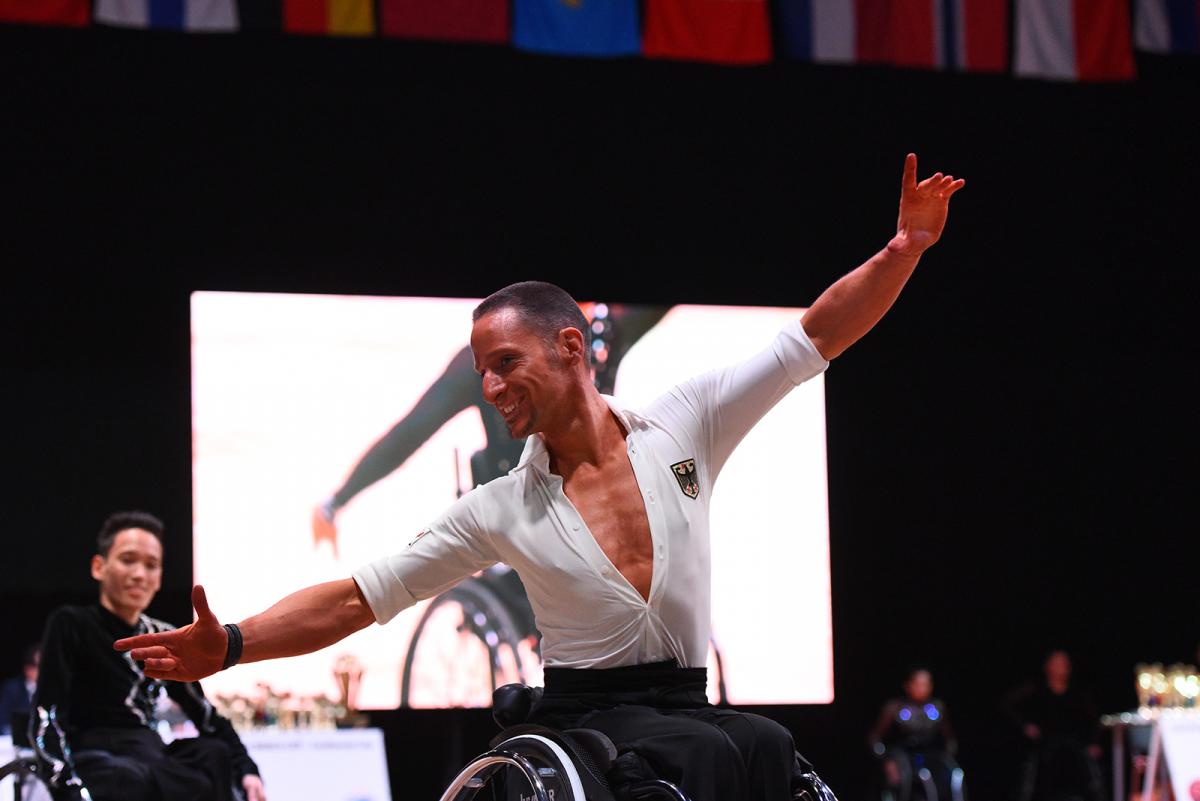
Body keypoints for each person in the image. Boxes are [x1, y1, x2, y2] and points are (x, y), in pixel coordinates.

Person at [116, 153, 965, 801]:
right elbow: (355, 596)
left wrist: (904, 248)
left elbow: (815, 337)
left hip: (689, 703)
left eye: (505, 363)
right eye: (482, 370)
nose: (488, 387)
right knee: (705, 754)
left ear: (570, 347)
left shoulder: (685, 421)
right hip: (588, 715)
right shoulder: (498, 508)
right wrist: (229, 644)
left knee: (770, 749)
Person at [34, 511, 266, 801]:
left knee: (213, 754)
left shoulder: (164, 636)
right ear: (99, 567)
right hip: (94, 752)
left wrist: (246, 768)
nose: (140, 574)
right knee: (127, 778)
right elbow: (47, 714)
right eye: (128, 560)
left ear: (159, 578)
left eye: (151, 565)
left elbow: (205, 715)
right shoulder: (71, 623)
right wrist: (64, 784)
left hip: (149, 751)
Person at [1005, 650, 1103, 801]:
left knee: (1089, 778)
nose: (1062, 667)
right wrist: (1025, 726)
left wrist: (1094, 742)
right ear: (1047, 666)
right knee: (1032, 780)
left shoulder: (1078, 691)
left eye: (1065, 663)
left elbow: (1093, 719)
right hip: (1044, 747)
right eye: (1057, 663)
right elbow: (1008, 704)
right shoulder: (1036, 688)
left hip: (1074, 747)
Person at [869, 666, 963, 801]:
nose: (922, 688)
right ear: (908, 685)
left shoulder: (937, 707)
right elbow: (875, 737)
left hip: (930, 753)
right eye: (917, 684)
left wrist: (948, 754)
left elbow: (949, 738)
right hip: (902, 754)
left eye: (926, 684)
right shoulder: (895, 707)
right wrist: (886, 759)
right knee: (900, 779)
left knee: (953, 773)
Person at [0, 642, 39, 736]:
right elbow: (2, 720)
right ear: (28, 669)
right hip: (16, 742)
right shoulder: (13, 689)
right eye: (40, 666)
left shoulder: (52, 690)